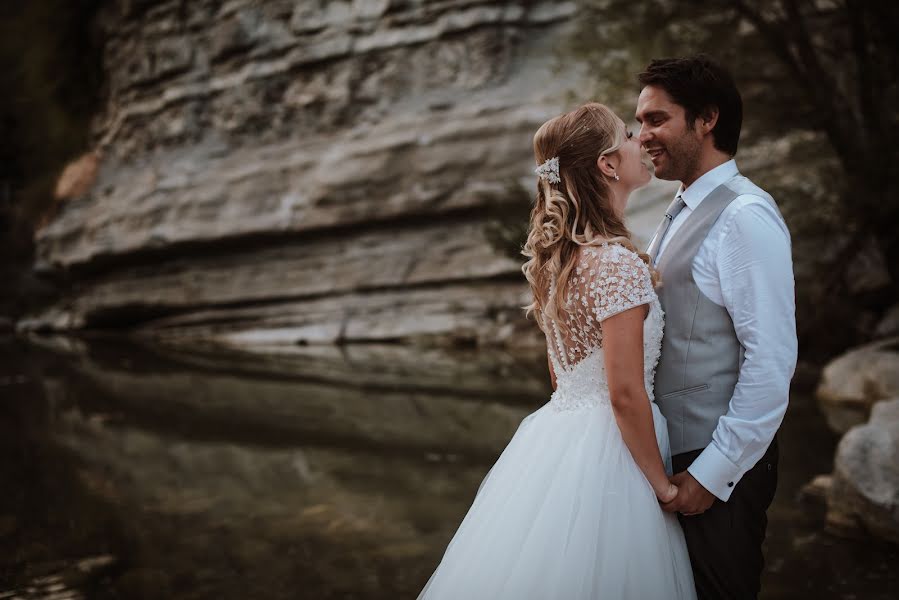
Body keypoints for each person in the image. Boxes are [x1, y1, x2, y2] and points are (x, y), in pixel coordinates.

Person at [417, 102, 696, 599]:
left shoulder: (560, 263)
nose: (641, 143)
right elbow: (625, 393)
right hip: (616, 455)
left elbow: (558, 372)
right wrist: (662, 484)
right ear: (608, 164)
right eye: (629, 135)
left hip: (557, 438)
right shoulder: (616, 264)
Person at [635, 55, 797, 599]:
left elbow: (771, 359)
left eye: (657, 120)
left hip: (712, 466)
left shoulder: (744, 216)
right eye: (640, 123)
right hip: (671, 463)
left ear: (707, 119)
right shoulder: (679, 211)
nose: (642, 136)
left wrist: (714, 471)